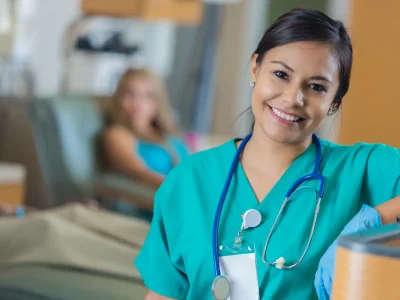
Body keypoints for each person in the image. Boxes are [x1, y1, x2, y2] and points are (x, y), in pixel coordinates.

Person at [134, 8, 400, 300]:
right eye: (281, 74)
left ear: (334, 101)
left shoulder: (363, 170)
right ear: (255, 69)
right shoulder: (188, 180)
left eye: (316, 87)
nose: (292, 99)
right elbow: (165, 293)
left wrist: (376, 219)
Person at [102, 68, 189, 217]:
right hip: (156, 209)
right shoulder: (118, 134)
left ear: (157, 103)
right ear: (119, 99)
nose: (138, 103)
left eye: (147, 96)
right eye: (130, 94)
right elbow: (140, 173)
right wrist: (185, 190)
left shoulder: (168, 136)